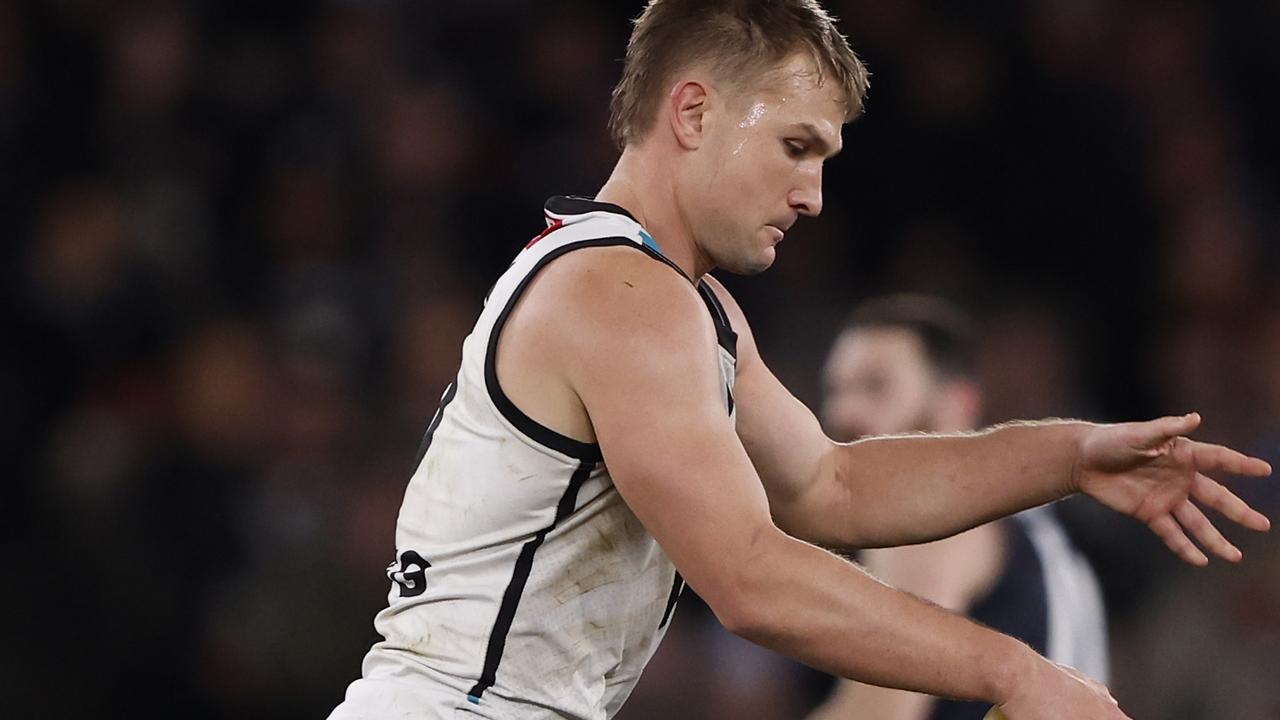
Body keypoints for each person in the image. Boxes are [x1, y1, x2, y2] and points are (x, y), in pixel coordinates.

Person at [328, 1, 1272, 718]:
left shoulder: (681, 304)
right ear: (692, 112)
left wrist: (1069, 456)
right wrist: (1010, 670)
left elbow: (832, 486)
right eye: (795, 146)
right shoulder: (623, 298)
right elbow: (747, 575)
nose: (814, 195)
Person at [807, 295, 1108, 720]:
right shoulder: (1031, 526)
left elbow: (878, 713)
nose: (842, 412)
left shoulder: (928, 528)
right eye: (835, 389)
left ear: (955, 406)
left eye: (876, 386)